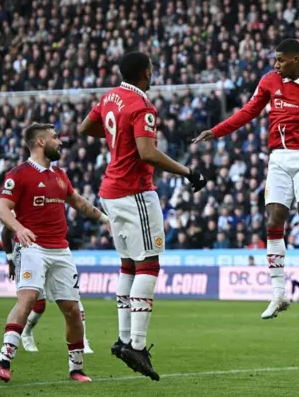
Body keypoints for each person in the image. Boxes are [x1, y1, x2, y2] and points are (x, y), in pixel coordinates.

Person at [193, 39, 299, 322]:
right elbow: (247, 112)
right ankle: (279, 293)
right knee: (274, 221)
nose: (275, 64)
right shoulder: (269, 81)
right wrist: (216, 132)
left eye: (280, 60)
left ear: (297, 59)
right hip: (277, 158)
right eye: (275, 60)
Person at [79, 51, 206, 380]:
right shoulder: (141, 105)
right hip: (134, 191)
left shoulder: (110, 97)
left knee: (128, 264)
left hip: (110, 191)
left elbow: (85, 127)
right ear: (146, 73)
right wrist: (188, 172)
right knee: (149, 264)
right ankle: (136, 343)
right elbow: (147, 153)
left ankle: (123, 340)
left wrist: (115, 139)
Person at [0, 122, 110, 383]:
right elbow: (2, 210)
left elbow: (78, 202)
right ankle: (4, 359)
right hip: (32, 247)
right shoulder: (19, 174)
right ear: (40, 142)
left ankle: (76, 368)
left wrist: (105, 220)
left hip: (61, 249)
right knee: (29, 299)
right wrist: (19, 228)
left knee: (72, 310)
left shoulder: (59, 174)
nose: (60, 142)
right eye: (55, 137)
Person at [2, 225, 93, 353]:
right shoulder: (20, 208)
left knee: (72, 299)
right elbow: (6, 230)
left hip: (55, 251)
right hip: (28, 251)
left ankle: (82, 341)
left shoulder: (56, 206)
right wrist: (10, 259)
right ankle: (26, 333)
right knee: (38, 305)